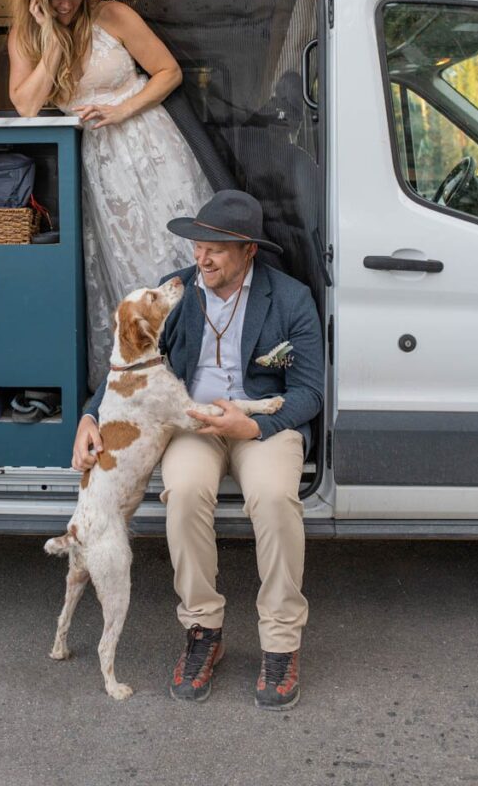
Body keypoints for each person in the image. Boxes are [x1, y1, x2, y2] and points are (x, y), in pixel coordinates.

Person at [72, 190, 324, 710]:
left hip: (262, 425)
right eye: (197, 246)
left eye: (215, 249)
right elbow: (129, 361)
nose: (200, 258)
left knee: (276, 501)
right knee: (183, 494)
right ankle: (203, 632)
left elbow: (310, 391)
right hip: (190, 425)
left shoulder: (292, 298)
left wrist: (254, 426)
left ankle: (280, 643)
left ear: (249, 251)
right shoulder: (179, 292)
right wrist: (90, 415)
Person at [3, 0, 211, 389]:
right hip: (99, 160)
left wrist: (123, 109)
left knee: (175, 250)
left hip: (149, 144)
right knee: (127, 262)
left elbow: (168, 71)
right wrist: (54, 42)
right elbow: (27, 106)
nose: (65, 6)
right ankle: (144, 380)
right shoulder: (27, 34)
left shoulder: (113, 15)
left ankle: (205, 369)